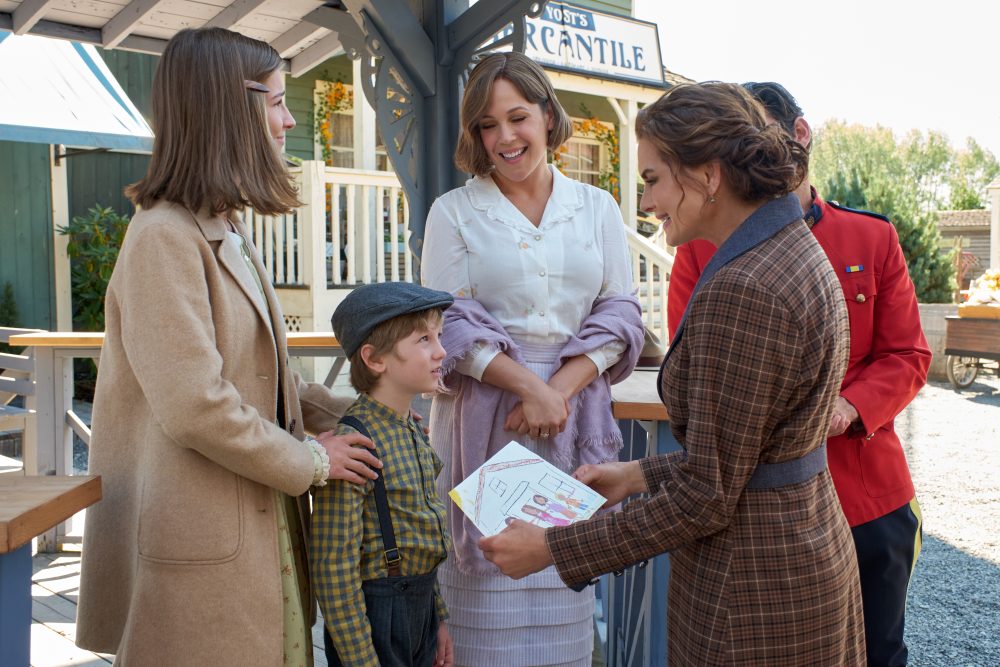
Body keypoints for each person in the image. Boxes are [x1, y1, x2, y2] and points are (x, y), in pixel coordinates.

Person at [480, 81, 867, 665]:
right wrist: (637, 473)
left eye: (654, 179)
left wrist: (555, 547)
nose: (647, 203)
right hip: (799, 549)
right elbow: (747, 452)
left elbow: (709, 496)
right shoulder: (789, 246)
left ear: (708, 175)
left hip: (753, 589)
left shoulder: (744, 287)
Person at [75, 28, 383, 665]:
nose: (288, 118)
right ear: (229, 109)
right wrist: (314, 462)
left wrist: (363, 419)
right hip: (202, 546)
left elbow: (260, 378)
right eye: (275, 101)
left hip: (251, 533)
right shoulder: (164, 237)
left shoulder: (220, 226)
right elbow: (196, 405)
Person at [666, 81, 928, 667]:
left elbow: (907, 354)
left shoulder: (872, 236)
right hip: (758, 505)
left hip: (865, 491)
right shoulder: (699, 248)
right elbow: (694, 372)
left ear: (800, 134)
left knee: (880, 650)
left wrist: (850, 407)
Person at [421, 51, 644, 667]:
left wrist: (558, 392)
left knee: (560, 597)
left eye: (517, 117)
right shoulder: (454, 210)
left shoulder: (597, 208)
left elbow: (621, 314)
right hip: (485, 420)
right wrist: (526, 386)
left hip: (571, 420)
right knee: (486, 596)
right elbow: (447, 321)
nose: (504, 138)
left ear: (548, 115)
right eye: (487, 126)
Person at [314, 282, 455, 667]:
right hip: (376, 620)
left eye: (439, 336)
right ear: (375, 359)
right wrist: (361, 659)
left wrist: (438, 618)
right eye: (424, 339)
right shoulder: (352, 446)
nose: (441, 350)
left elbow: (423, 538)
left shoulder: (411, 429)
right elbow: (333, 569)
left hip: (419, 609)